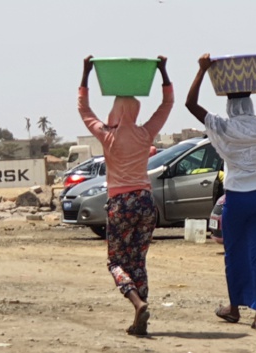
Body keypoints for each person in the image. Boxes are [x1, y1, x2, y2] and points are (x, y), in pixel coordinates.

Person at [185, 53, 256, 331]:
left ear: (231, 107)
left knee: (233, 254)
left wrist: (201, 71)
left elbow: (190, 104)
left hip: (234, 200)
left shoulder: (224, 127)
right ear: (250, 105)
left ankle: (234, 308)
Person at [78, 55, 174, 336]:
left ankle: (137, 301)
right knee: (138, 260)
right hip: (146, 202)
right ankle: (138, 318)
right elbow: (167, 104)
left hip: (120, 204)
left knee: (116, 261)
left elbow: (83, 108)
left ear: (115, 111)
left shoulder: (106, 134)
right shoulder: (145, 133)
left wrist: (85, 73)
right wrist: (163, 72)